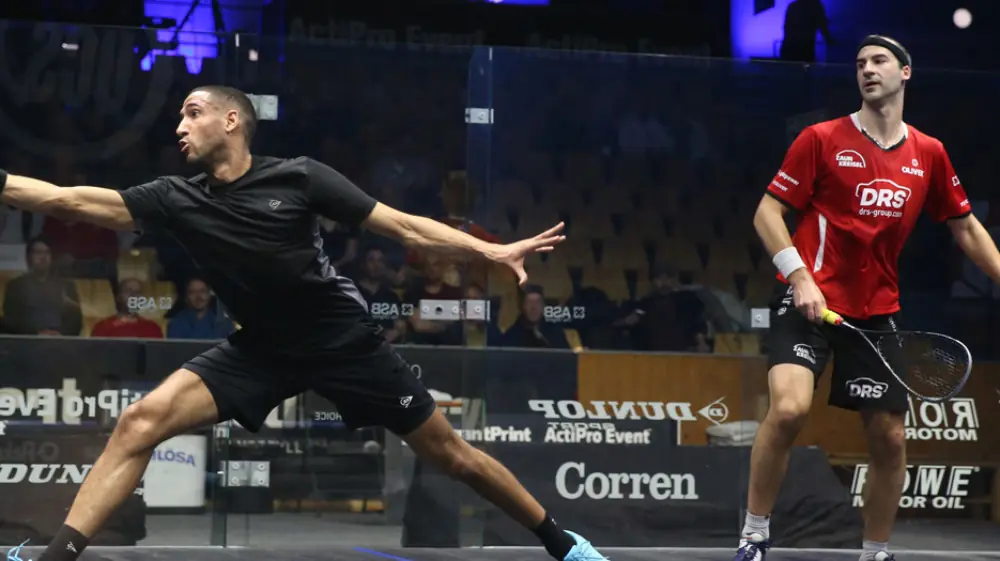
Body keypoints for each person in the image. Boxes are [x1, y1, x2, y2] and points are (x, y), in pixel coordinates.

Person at [0, 85, 608, 561]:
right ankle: (55, 556)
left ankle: (564, 543)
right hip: (261, 351)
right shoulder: (173, 197)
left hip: (344, 343)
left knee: (453, 456)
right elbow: (68, 198)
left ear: (231, 120)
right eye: (179, 120)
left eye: (191, 113)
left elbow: (403, 226)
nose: (179, 128)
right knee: (140, 422)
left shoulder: (300, 177)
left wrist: (493, 252)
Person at [737, 35, 1000, 561]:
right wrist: (800, 277)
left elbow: (966, 228)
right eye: (860, 63)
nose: (867, 70)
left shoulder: (928, 154)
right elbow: (767, 214)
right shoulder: (821, 138)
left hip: (876, 314)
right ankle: (753, 534)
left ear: (906, 73)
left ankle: (875, 551)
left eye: (879, 61)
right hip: (808, 301)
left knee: (890, 438)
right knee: (789, 409)